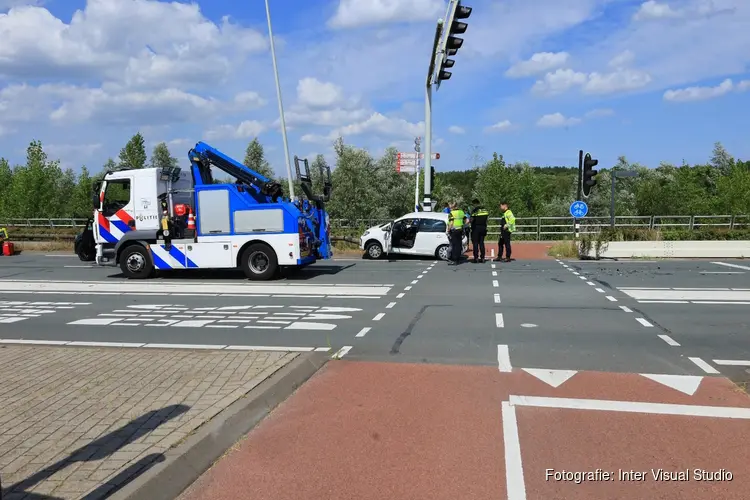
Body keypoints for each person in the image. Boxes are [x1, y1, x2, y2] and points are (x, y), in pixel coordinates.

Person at [469, 199, 489, 263]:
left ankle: (476, 258)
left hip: (476, 228)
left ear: (475, 204)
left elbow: (471, 220)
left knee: (475, 243)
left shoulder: (475, 211)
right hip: (483, 227)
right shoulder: (485, 210)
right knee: (481, 243)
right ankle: (482, 258)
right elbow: (487, 219)